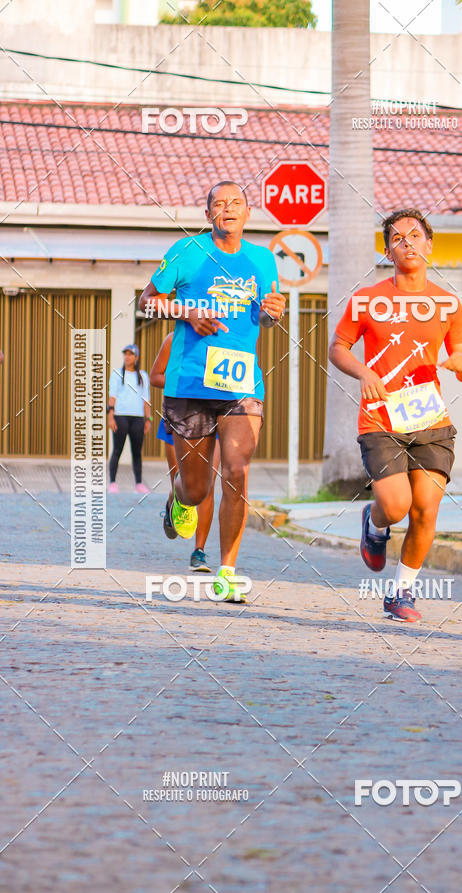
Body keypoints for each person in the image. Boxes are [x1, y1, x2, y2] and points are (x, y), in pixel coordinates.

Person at [139, 180, 286, 601]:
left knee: (237, 473)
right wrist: (188, 313)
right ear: (208, 216)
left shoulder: (262, 260)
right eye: (219, 204)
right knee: (197, 488)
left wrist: (274, 312)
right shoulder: (187, 252)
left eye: (236, 203)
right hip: (189, 383)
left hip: (241, 384)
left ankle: (227, 572)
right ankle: (178, 501)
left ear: (247, 212)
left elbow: (266, 319)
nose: (228, 209)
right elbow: (148, 301)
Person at [329, 208, 462, 623]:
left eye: (415, 235)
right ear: (387, 250)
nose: (407, 242)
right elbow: (338, 347)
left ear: (429, 245)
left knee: (425, 508)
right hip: (381, 420)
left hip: (430, 420)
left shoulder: (447, 303)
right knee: (396, 507)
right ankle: (375, 524)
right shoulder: (368, 299)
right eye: (397, 238)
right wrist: (364, 371)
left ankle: (400, 593)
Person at [150, 332, 221, 572]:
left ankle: (198, 551)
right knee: (182, 480)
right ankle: (173, 502)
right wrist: (189, 381)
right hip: (179, 415)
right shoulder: (173, 339)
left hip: (216, 416)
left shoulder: (229, 340)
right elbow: (155, 376)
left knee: (208, 485)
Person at [107, 344, 151, 494]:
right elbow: (112, 396)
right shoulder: (117, 374)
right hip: (121, 417)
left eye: (130, 354)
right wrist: (110, 416)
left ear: (136, 357)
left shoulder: (143, 376)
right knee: (117, 450)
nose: (127, 357)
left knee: (137, 452)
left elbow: (146, 399)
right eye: (125, 354)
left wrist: (148, 419)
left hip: (137, 418)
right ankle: (112, 483)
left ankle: (139, 484)